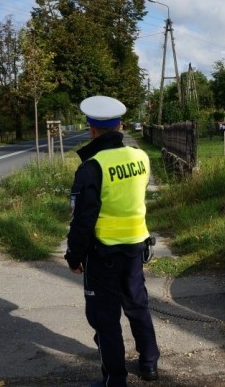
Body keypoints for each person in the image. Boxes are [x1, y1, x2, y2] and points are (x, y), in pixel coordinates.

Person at [65, 95, 160, 387]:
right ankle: (149, 364)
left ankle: (115, 380)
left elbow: (83, 219)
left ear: (91, 129)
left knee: (105, 319)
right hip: (135, 247)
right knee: (137, 305)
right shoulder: (140, 157)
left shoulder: (92, 166)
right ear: (120, 125)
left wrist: (74, 255)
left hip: (102, 252)